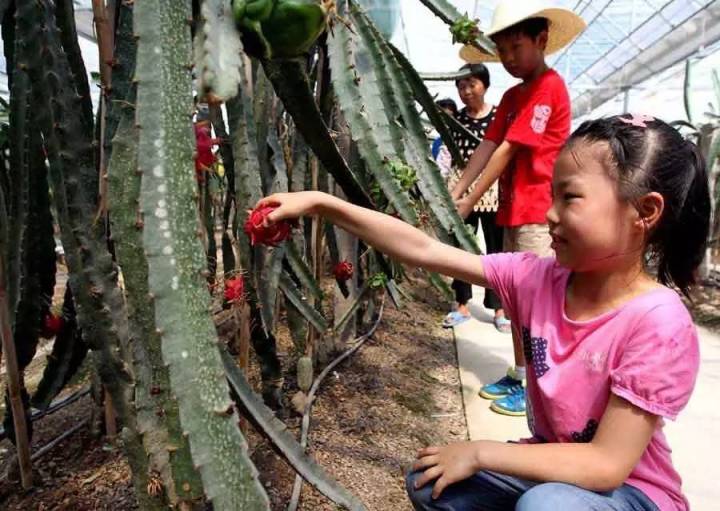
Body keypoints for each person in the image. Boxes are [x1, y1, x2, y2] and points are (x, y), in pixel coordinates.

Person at [257, 114, 709, 511]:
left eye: (569, 198)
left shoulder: (657, 321)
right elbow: (422, 249)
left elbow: (607, 465)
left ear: (644, 212)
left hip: (632, 495)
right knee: (432, 482)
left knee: (546, 504)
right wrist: (323, 204)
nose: (549, 214)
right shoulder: (536, 278)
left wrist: (479, 451)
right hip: (559, 475)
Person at [450, 0, 586, 416]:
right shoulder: (512, 94)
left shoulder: (549, 88)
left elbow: (509, 149)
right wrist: (456, 189)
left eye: (515, 47)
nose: (508, 58)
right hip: (513, 209)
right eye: (501, 50)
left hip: (539, 212)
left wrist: (468, 200)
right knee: (515, 300)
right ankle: (521, 372)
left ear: (541, 40)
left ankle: (538, 386)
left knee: (536, 303)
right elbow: (487, 145)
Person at [440, 64, 509, 334]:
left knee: (496, 248)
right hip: (461, 183)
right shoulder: (455, 119)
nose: (466, 91)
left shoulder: (497, 117)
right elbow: (448, 153)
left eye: (472, 84)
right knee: (461, 247)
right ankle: (461, 305)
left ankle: (500, 308)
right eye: (461, 86)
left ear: (485, 85)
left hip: (491, 187)